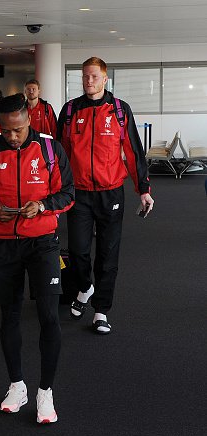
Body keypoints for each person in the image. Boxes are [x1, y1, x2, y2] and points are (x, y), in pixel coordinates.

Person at [0, 93, 74, 424]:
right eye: (6, 130)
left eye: (19, 129)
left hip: (42, 242)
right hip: (2, 243)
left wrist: (42, 205)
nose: (12, 136)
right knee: (9, 316)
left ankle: (45, 392)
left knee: (49, 316)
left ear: (29, 120)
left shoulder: (50, 149)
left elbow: (68, 193)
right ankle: (17, 386)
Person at [56, 57, 154, 334]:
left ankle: (101, 310)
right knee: (78, 251)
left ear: (105, 79)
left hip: (111, 193)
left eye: (94, 77)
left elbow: (133, 151)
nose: (89, 81)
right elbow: (59, 155)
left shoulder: (120, 110)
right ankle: (85, 287)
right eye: (85, 76)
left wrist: (143, 189)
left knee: (108, 254)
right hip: (79, 193)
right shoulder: (70, 110)